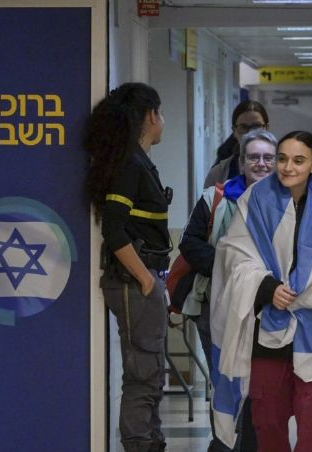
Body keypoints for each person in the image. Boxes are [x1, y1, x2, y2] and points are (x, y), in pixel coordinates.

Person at [209, 131, 312, 452]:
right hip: (268, 337)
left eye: (298, 160)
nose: (287, 167)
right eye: (282, 158)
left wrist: (295, 292)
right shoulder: (255, 199)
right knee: (270, 432)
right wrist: (267, 287)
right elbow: (234, 254)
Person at [83, 82, 172, 452]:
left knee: (150, 374)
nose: (162, 121)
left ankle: (151, 443)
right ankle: (140, 445)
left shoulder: (137, 159)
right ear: (151, 116)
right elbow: (115, 229)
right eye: (161, 113)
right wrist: (145, 279)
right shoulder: (128, 164)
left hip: (144, 281)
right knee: (142, 376)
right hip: (135, 283)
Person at [179, 129, 278, 452]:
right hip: (217, 307)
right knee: (224, 382)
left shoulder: (289, 201)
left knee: (261, 386)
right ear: (241, 161)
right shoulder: (216, 198)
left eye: (268, 157)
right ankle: (223, 445)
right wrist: (230, 269)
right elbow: (190, 244)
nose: (261, 164)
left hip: (268, 311)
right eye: (254, 157)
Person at [204, 100, 270, 187]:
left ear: (266, 128)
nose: (250, 133)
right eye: (243, 127)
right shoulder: (218, 174)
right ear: (234, 131)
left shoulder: (283, 170)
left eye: (257, 126)